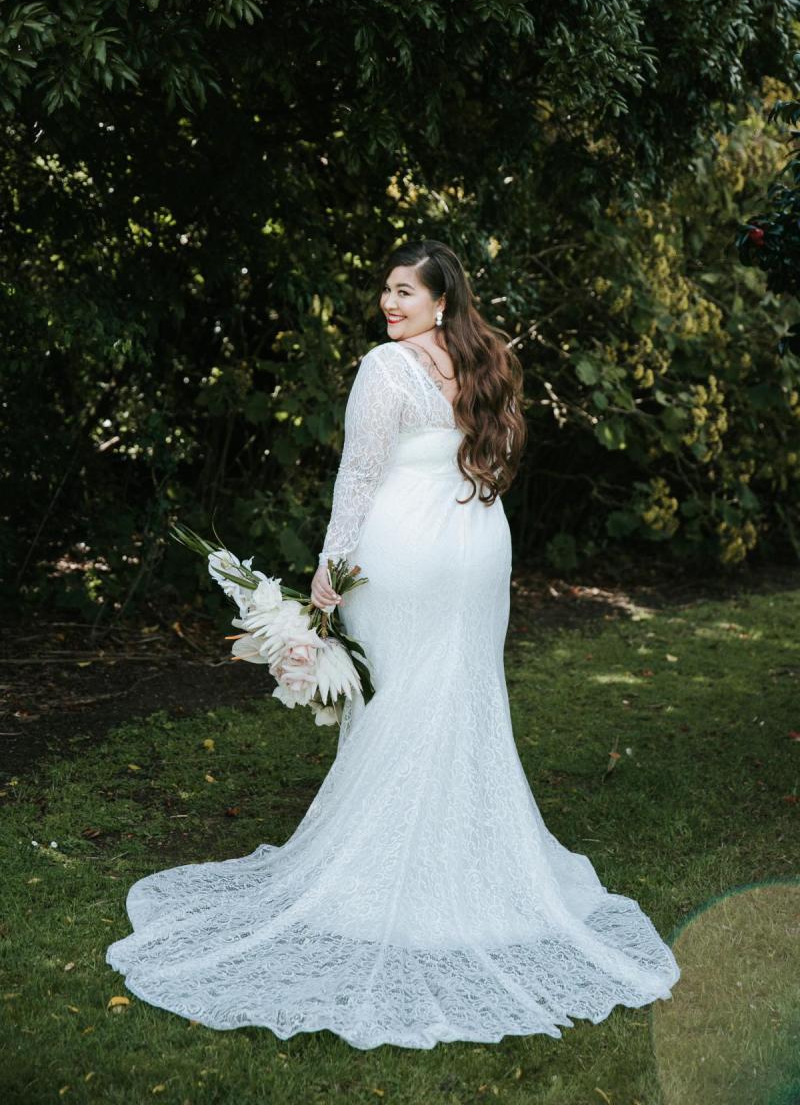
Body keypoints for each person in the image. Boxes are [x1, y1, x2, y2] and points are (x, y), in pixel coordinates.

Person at [106, 239, 680, 1049]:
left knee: (401, 702)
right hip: (479, 547)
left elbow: (359, 475)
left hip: (408, 556)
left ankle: (385, 879)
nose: (390, 303)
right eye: (387, 291)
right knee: (456, 696)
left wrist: (329, 572)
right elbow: (502, 458)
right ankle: (470, 870)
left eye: (406, 291)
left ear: (441, 300)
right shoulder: (482, 363)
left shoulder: (385, 367)